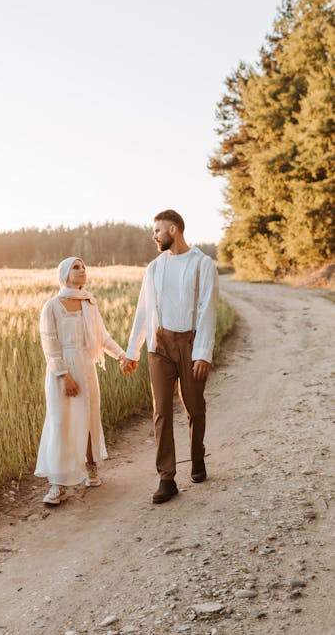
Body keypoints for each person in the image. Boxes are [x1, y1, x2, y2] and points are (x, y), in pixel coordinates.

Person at [122, 209, 219, 504]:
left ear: (174, 229)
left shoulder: (202, 264)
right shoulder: (153, 268)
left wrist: (202, 352)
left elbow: (207, 311)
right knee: (161, 411)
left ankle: (197, 456)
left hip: (190, 344)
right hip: (159, 346)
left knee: (194, 406)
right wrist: (132, 350)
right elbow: (143, 312)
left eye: (158, 230)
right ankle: (167, 478)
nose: (154, 236)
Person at [35, 256, 127, 505]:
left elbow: (102, 337)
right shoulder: (52, 306)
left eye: (84, 266)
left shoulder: (89, 303)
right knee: (60, 421)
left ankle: (90, 467)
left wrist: (121, 355)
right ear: (64, 273)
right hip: (62, 371)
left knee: (87, 418)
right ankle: (58, 483)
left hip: (86, 367)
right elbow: (50, 345)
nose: (82, 270)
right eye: (76, 267)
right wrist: (64, 375)